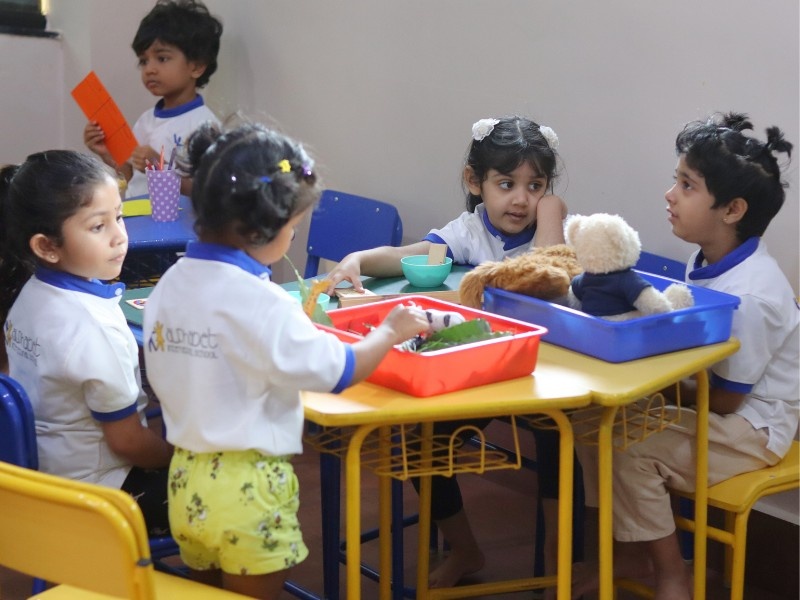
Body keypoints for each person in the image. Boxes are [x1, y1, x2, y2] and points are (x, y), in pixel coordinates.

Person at [142, 120, 430, 599]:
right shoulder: (264, 302)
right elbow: (340, 371)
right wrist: (389, 331)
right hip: (248, 486)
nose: (293, 239)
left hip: (185, 476)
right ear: (262, 229)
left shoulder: (170, 283)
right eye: (293, 228)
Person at [325, 115, 570, 589]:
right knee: (423, 443)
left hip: (543, 374)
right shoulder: (468, 232)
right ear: (474, 182)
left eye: (536, 185)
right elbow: (410, 255)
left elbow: (547, 271)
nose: (521, 199)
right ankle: (466, 549)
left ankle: (560, 562)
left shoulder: (555, 230)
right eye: (506, 183)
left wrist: (553, 211)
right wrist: (359, 259)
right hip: (480, 374)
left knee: (559, 439)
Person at [572, 112, 799, 600]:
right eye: (677, 180)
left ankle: (674, 573)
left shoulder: (754, 296)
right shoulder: (706, 257)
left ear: (732, 210)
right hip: (711, 401)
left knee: (629, 446)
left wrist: (646, 381)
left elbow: (727, 401)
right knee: (594, 422)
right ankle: (628, 548)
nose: (670, 194)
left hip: (755, 427)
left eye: (687, 185)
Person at [0, 150, 173, 537]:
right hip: (100, 495)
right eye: (98, 226)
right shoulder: (92, 329)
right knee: (222, 499)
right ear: (47, 246)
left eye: (120, 216)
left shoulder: (29, 293)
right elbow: (128, 442)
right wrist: (176, 459)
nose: (119, 236)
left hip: (44, 477)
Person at [83, 0, 222, 198]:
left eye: (162, 58)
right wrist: (106, 152)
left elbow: (207, 193)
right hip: (138, 214)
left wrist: (161, 168)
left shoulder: (205, 127)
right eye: (143, 61)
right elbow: (129, 177)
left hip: (177, 223)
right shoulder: (145, 120)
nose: (149, 69)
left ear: (197, 67)